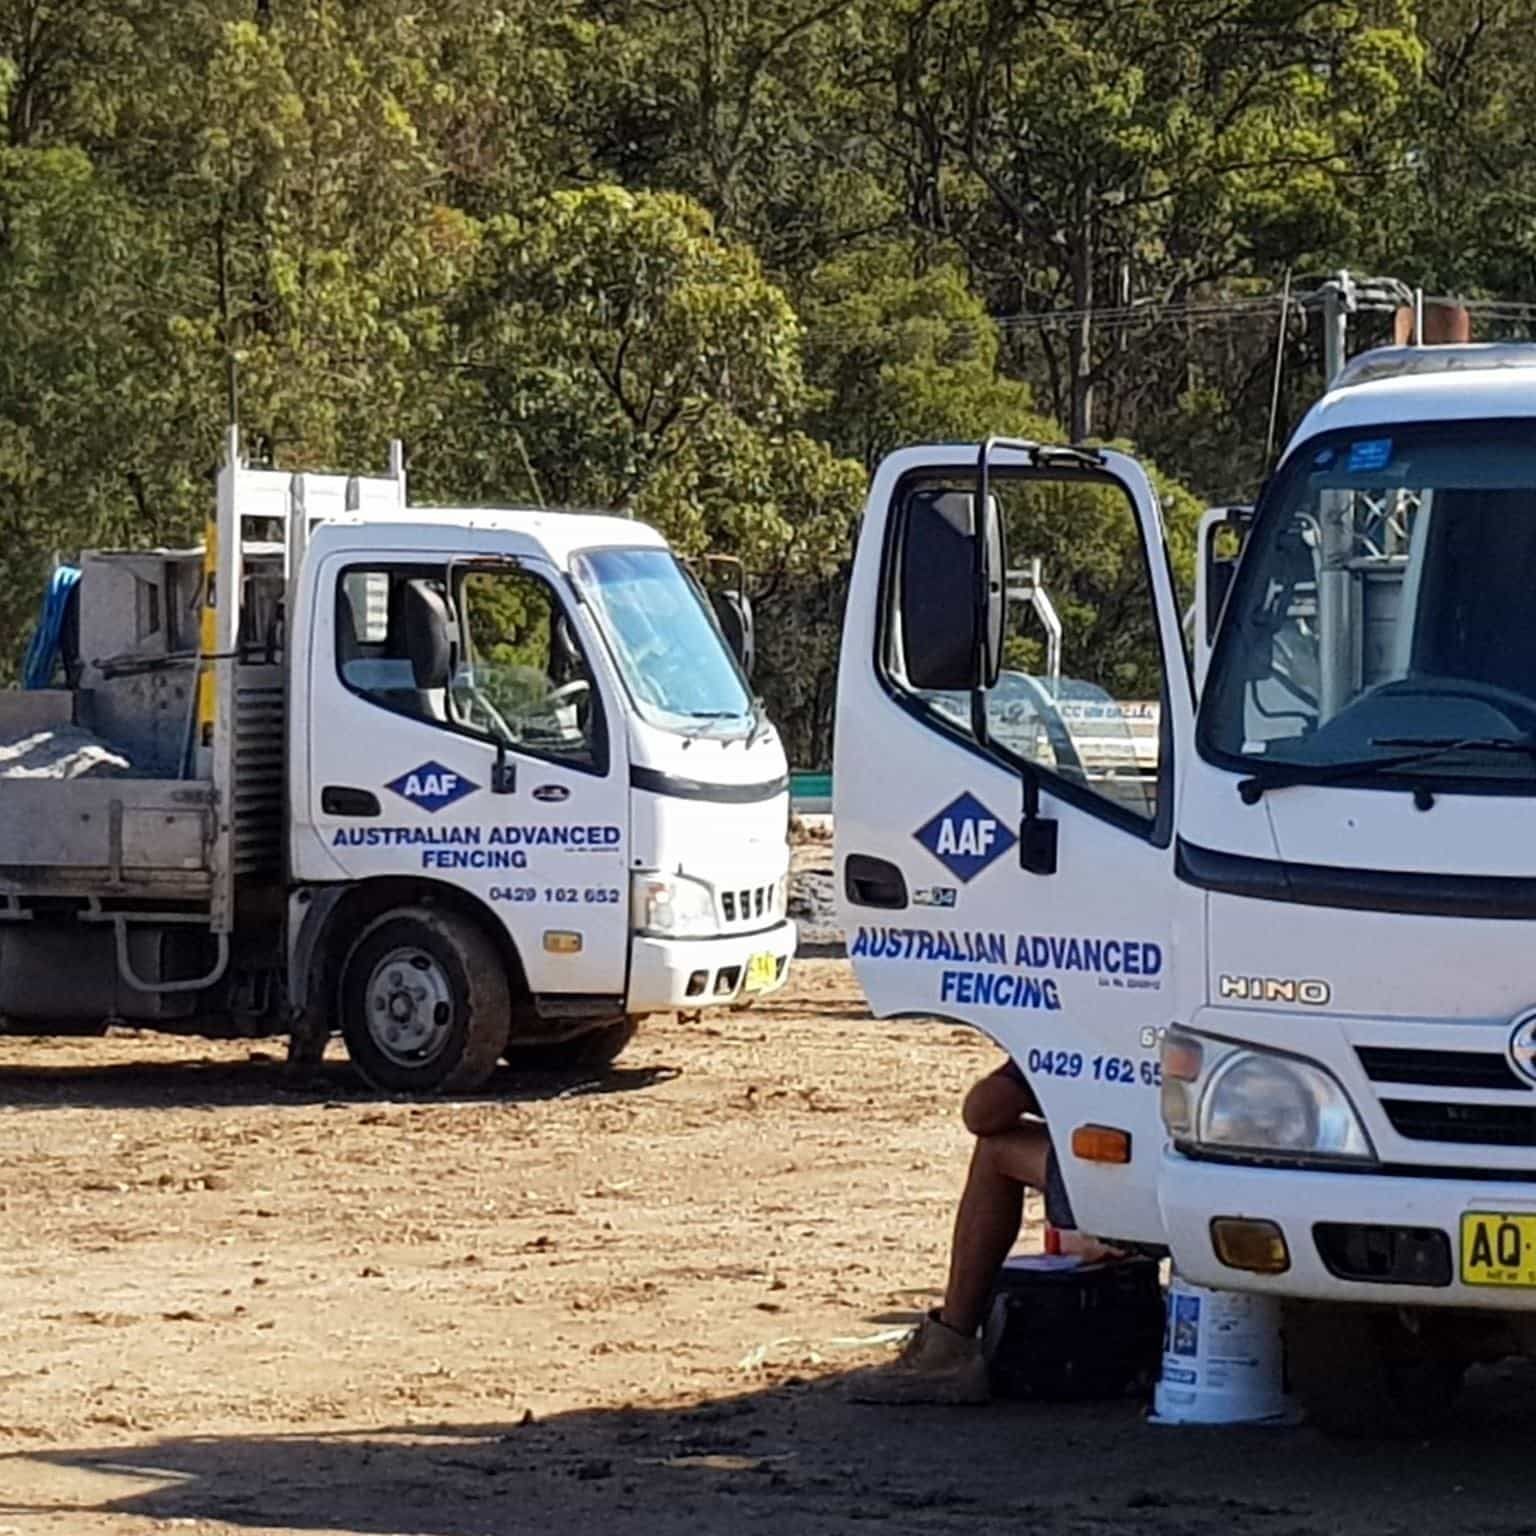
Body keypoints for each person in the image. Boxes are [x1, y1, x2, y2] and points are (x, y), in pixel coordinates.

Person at [851, 1056, 1108, 1406]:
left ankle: (950, 1347)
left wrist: (1036, 1063)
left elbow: (983, 1112)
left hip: (1129, 1177)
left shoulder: (1093, 1019)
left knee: (995, 1151)